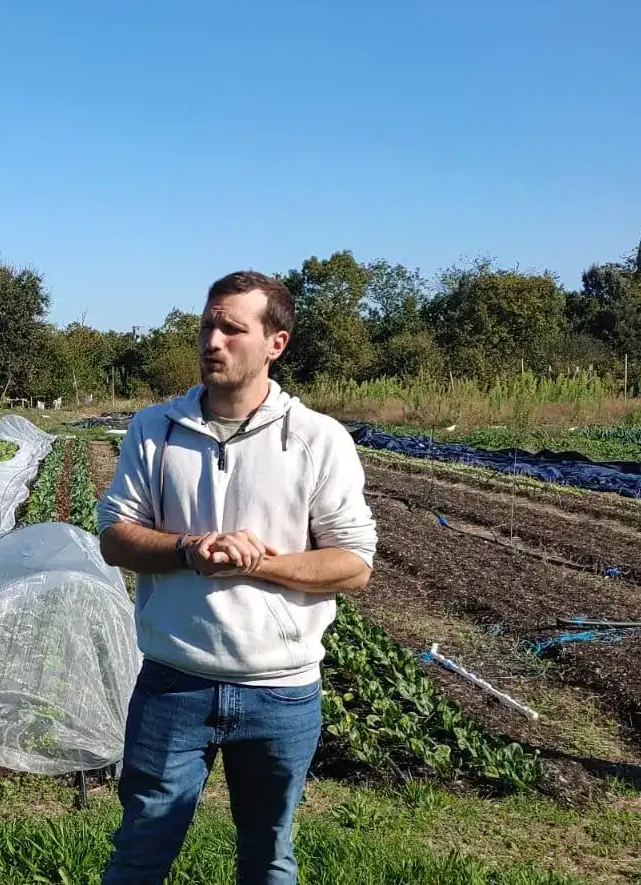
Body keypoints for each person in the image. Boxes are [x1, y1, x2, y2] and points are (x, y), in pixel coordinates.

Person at [94, 270, 378, 884]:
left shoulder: (317, 439)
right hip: (174, 682)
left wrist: (261, 562)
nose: (212, 340)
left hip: (281, 690)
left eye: (232, 329)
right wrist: (190, 549)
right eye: (207, 326)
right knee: (140, 851)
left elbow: (354, 563)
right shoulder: (155, 429)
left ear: (276, 343)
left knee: (268, 853)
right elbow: (115, 537)